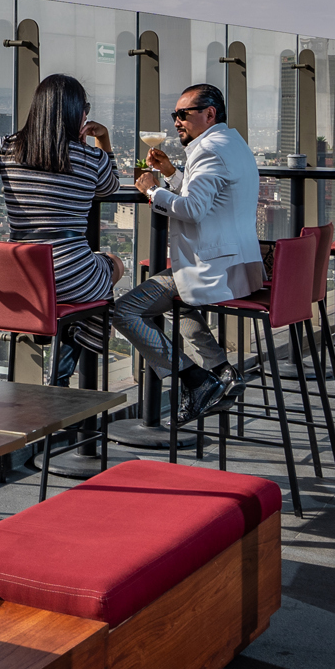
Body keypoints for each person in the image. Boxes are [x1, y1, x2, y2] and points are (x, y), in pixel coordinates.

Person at [0, 74, 126, 384]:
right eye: (85, 107)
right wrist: (104, 142)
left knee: (82, 288)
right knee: (114, 265)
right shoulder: (91, 158)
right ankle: (60, 374)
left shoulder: (8, 147)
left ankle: (50, 330)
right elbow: (108, 188)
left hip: (21, 278)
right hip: (72, 274)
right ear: (77, 113)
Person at [118, 83, 263, 420]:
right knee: (176, 299)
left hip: (218, 269)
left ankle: (195, 380)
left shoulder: (208, 150)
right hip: (241, 263)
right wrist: (171, 174)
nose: (176, 122)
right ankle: (221, 371)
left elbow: (194, 208)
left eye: (183, 114)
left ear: (209, 114)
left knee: (126, 310)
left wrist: (153, 191)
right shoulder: (232, 143)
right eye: (175, 115)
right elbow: (208, 192)